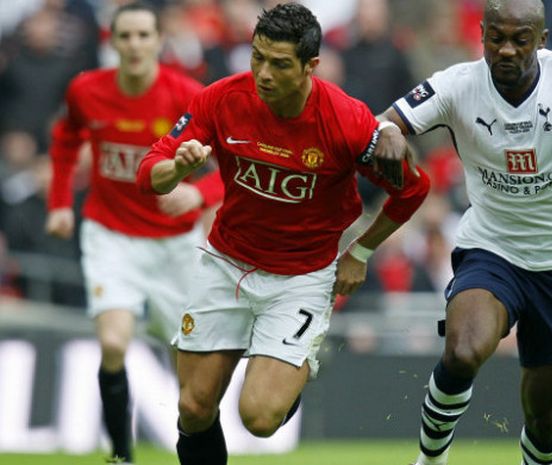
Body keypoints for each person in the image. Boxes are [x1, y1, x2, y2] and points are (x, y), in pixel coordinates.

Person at [135, 3, 430, 464]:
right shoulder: (221, 98)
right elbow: (149, 173)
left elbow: (413, 189)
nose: (263, 74)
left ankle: (292, 367)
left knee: (259, 417)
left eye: (279, 63)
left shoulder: (346, 121)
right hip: (226, 264)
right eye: (257, 57)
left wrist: (361, 250)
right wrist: (177, 168)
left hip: (301, 279)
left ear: (311, 65)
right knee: (193, 407)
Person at [375, 1, 552, 464]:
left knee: (544, 421)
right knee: (463, 352)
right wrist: (388, 132)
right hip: (491, 248)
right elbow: (385, 121)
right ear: (481, 34)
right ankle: (429, 459)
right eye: (496, 38)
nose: (506, 50)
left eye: (520, 40)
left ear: (541, 41)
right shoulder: (457, 84)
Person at [45, 2, 223, 463]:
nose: (135, 45)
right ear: (112, 41)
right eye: (125, 36)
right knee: (112, 342)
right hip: (111, 235)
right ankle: (121, 456)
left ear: (159, 41)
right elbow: (66, 142)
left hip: (175, 243)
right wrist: (61, 203)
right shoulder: (87, 91)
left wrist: (200, 195)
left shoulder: (187, 94)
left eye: (144, 36)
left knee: (189, 374)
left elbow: (236, 165)